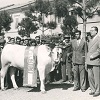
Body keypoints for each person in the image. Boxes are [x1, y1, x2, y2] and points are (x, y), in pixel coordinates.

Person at [85, 26, 100, 97]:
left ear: (96, 31)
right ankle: (93, 89)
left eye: (92, 30)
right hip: (89, 61)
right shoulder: (90, 40)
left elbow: (99, 50)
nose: (90, 32)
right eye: (90, 30)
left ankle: (97, 90)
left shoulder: (99, 39)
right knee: (90, 76)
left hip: (95, 60)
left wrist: (93, 55)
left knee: (96, 77)